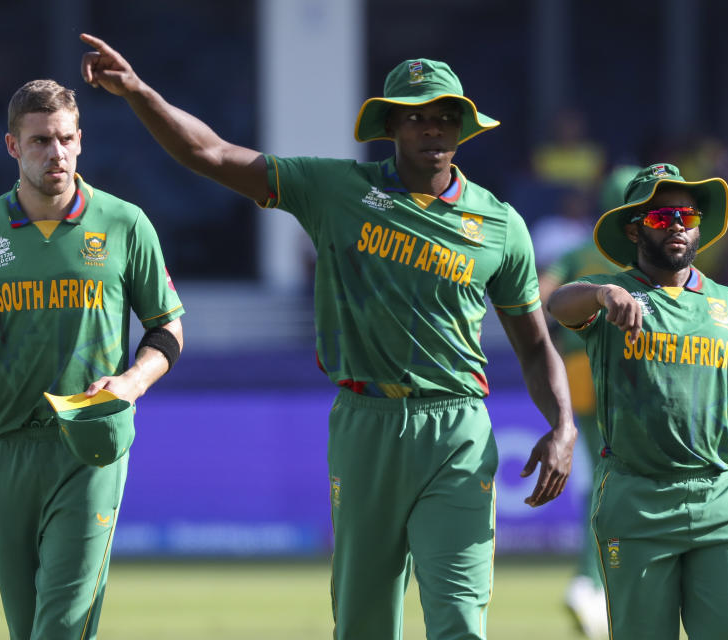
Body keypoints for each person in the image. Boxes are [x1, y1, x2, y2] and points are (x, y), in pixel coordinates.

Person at [79, 34, 577, 640]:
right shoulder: (336, 191)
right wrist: (137, 91)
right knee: (364, 624)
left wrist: (563, 424)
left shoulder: (500, 224)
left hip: (457, 431)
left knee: (460, 621)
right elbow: (210, 153)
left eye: (446, 116)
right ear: (391, 125)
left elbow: (534, 347)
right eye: (416, 116)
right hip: (364, 424)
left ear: (462, 128)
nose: (433, 129)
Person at [0, 79, 185, 640]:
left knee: (61, 628)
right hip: (7, 448)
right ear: (13, 147)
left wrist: (130, 383)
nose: (56, 152)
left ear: (80, 142)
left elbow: (167, 328)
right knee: (28, 630)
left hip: (91, 443)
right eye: (40, 141)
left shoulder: (126, 224)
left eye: (66, 139)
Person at [546, 163, 728, 639]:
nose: (675, 225)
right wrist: (602, 291)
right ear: (634, 229)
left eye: (686, 216)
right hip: (636, 504)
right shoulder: (614, 296)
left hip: (719, 503)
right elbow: (558, 303)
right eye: (659, 216)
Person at [537, 165, 639, 640]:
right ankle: (591, 580)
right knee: (615, 474)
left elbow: (540, 296)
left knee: (599, 471)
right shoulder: (638, 254)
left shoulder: (579, 250)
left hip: (576, 372)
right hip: (621, 374)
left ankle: (593, 580)